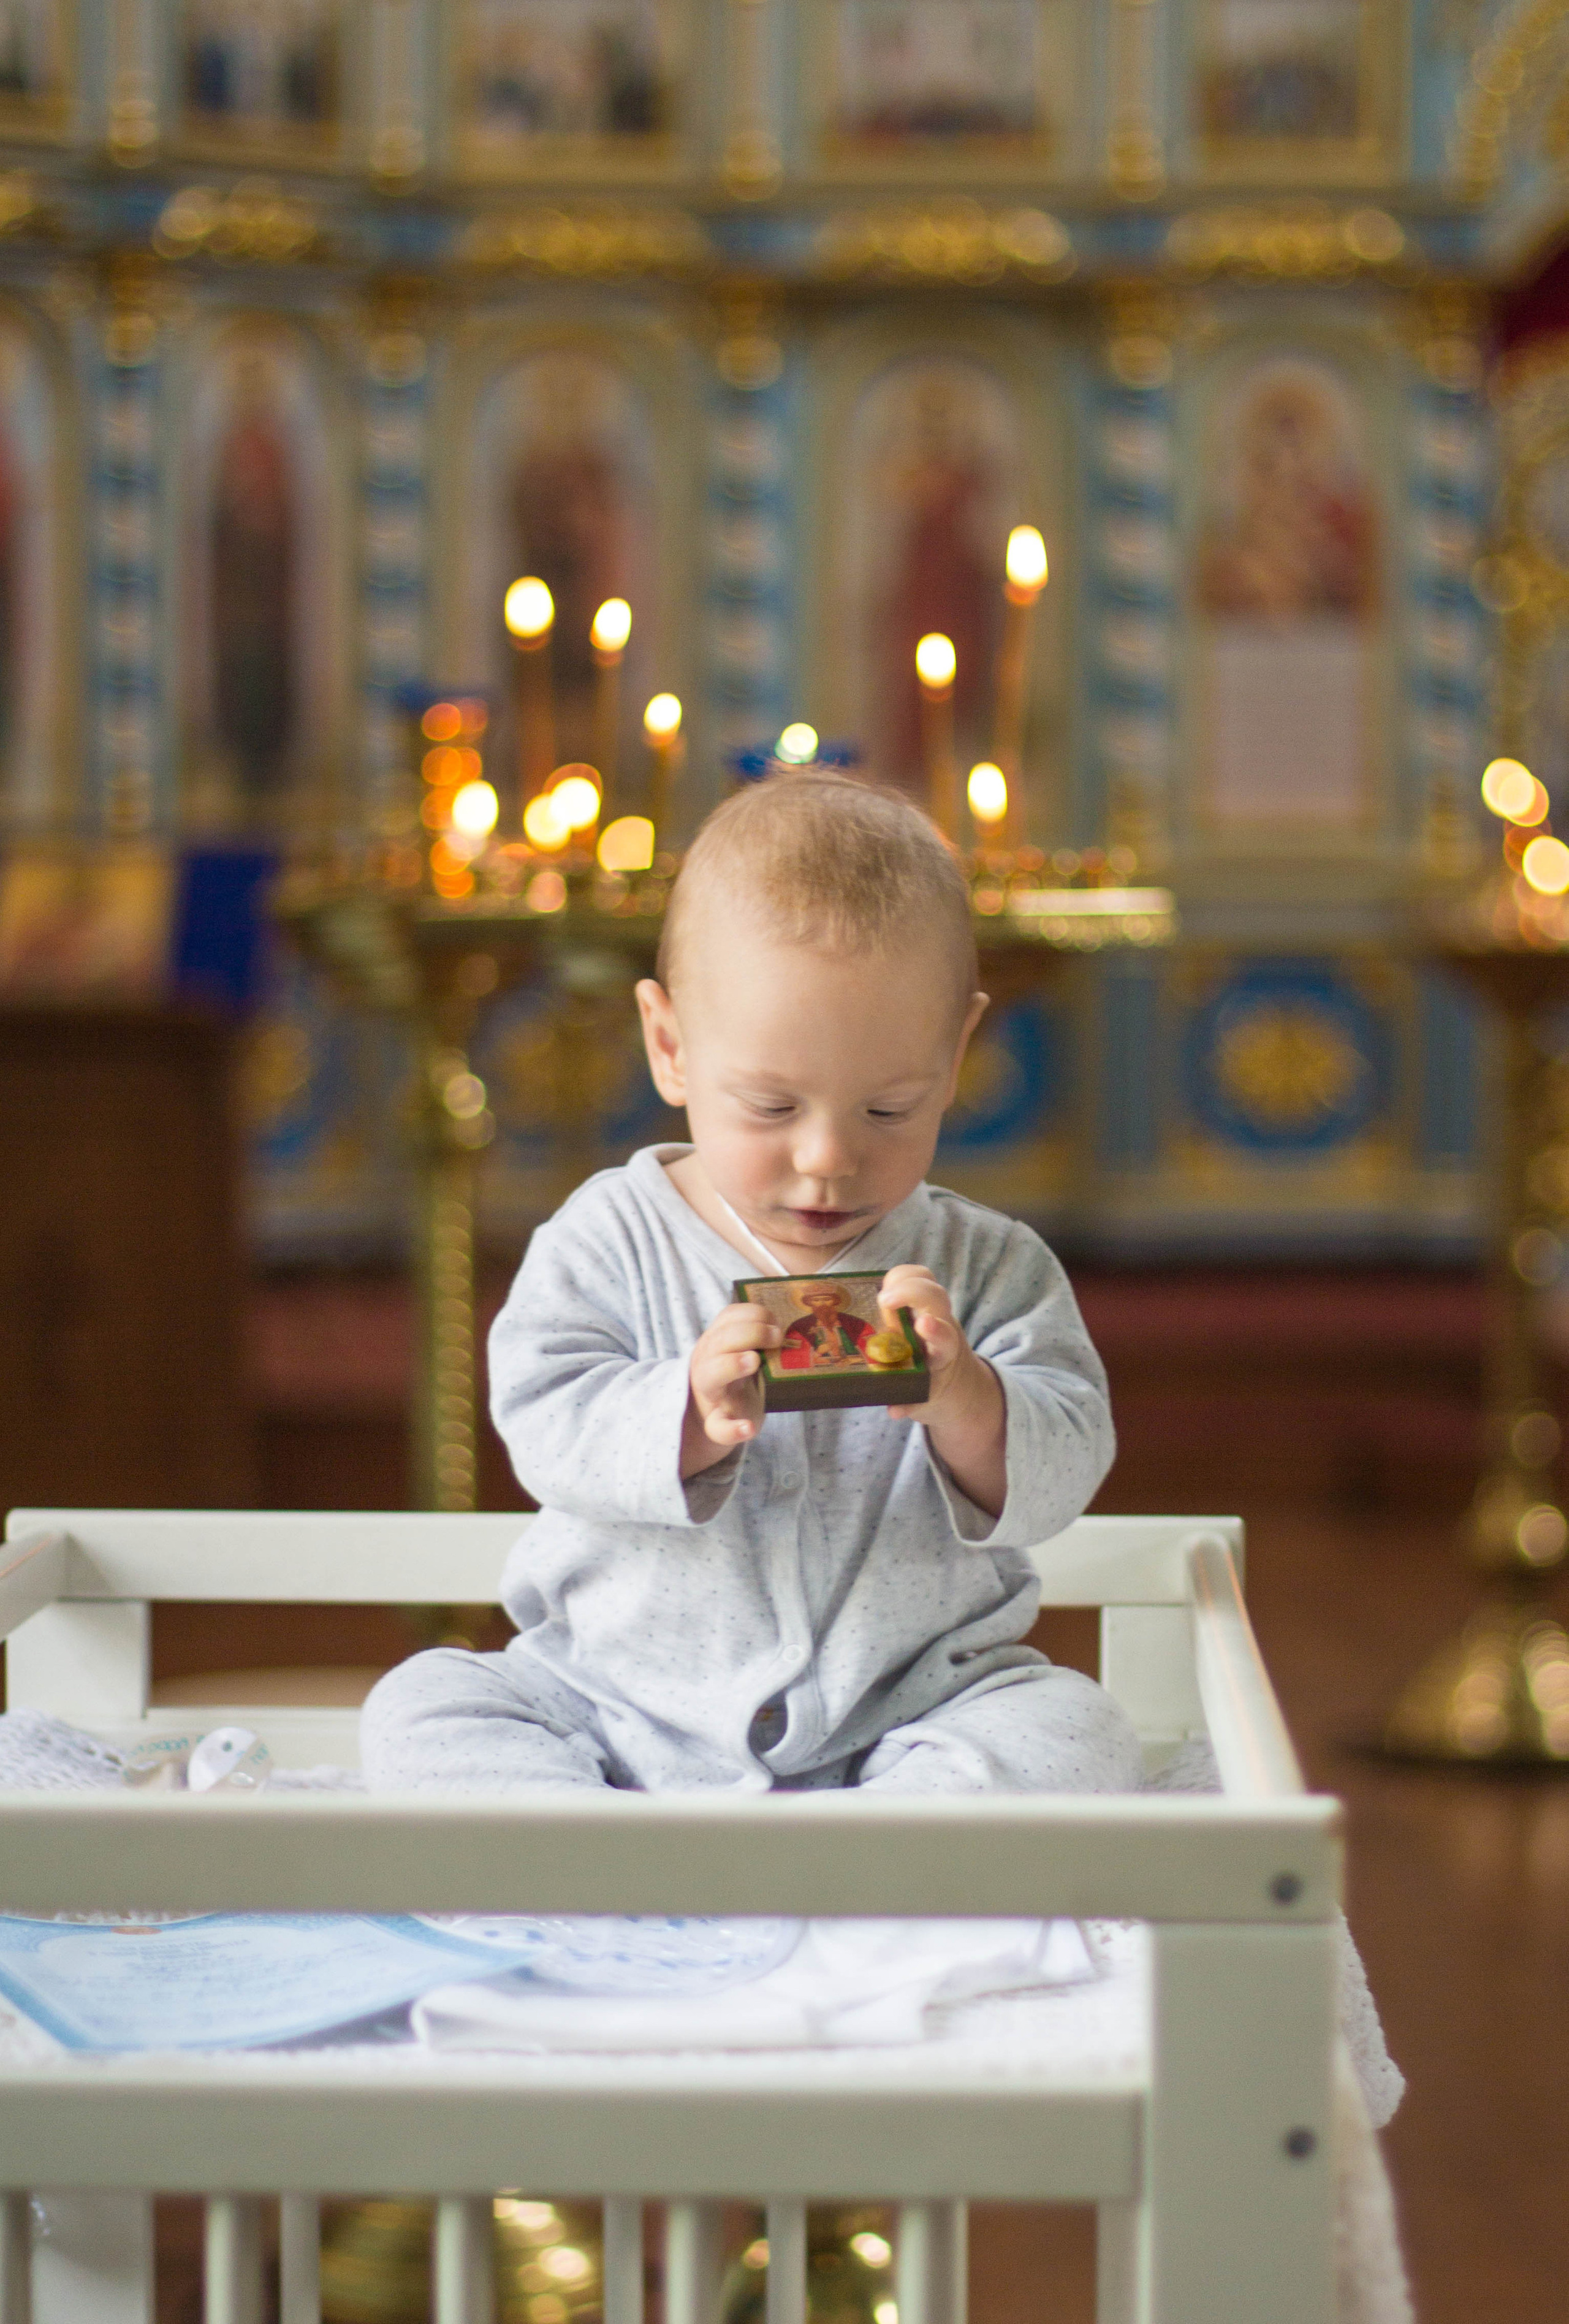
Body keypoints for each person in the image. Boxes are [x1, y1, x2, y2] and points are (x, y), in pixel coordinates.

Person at [362, 772, 1141, 1796]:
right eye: (771, 1106)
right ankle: (598, 1853)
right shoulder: (609, 1236)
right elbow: (544, 1422)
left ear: (955, 1056)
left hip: (912, 1706)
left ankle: (880, 1852)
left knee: (1074, 1728)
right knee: (423, 1709)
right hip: (614, 1701)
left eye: (889, 1111)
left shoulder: (991, 1262)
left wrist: (965, 1398)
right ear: (671, 1046)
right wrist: (681, 1411)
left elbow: (1072, 1452)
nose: (826, 1159)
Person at [777, 1282, 873, 1371]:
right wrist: (818, 1352)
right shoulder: (798, 1327)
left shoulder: (856, 1323)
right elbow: (790, 1359)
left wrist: (853, 1360)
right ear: (810, 1303)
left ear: (835, 1301)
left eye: (827, 1299)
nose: (822, 1304)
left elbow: (873, 1349)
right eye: (816, 1300)